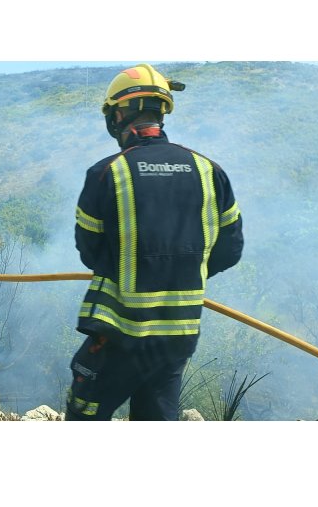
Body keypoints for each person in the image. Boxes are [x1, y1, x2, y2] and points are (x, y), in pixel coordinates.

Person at [67, 63, 244, 421]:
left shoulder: (106, 172)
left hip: (121, 334)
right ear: (161, 111)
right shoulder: (211, 170)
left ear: (119, 114)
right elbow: (230, 250)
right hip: (179, 336)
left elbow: (90, 251)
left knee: (83, 412)